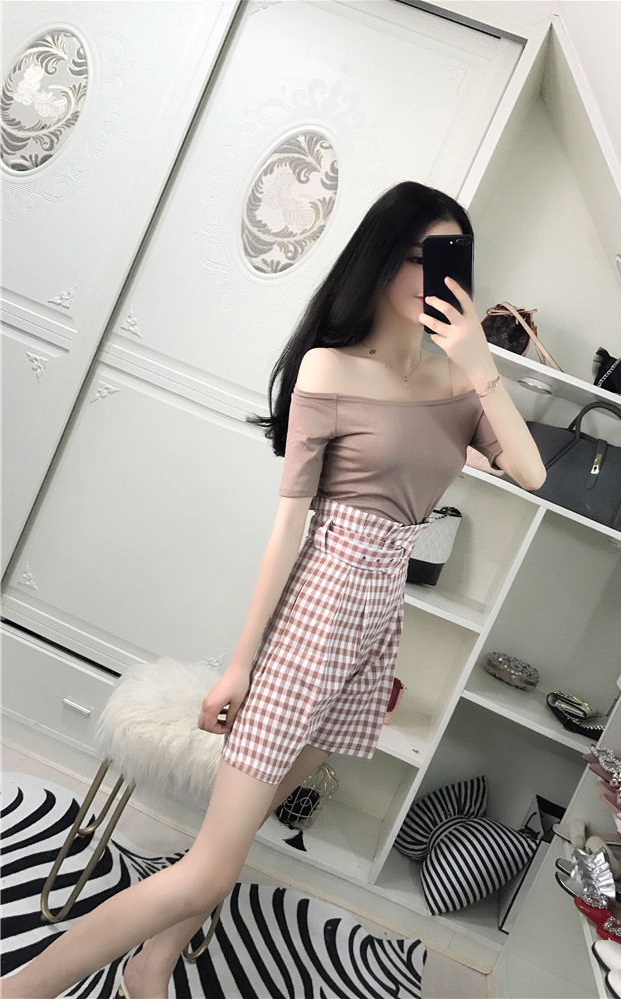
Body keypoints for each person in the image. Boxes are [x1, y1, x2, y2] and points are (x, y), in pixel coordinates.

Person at [0, 180, 545, 999]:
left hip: (375, 628)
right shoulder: (331, 367)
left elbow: (532, 474)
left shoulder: (456, 386)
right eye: (413, 256)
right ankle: (26, 988)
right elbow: (289, 529)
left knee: (247, 827)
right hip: (316, 620)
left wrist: (480, 363)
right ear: (377, 260)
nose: (429, 274)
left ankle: (151, 967)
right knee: (208, 868)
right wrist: (240, 665)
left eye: (445, 258)